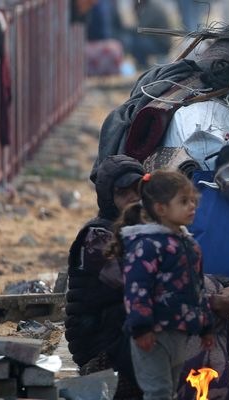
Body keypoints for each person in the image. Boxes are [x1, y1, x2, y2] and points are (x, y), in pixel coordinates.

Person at [108, 171, 229, 400]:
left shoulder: (188, 244)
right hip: (153, 333)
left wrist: (205, 326)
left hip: (179, 333)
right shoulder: (147, 245)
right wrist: (141, 328)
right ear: (161, 208)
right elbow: (137, 289)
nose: (192, 206)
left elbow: (196, 289)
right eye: (184, 201)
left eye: (193, 200)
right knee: (158, 392)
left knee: (170, 390)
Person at [65, 155, 145, 399]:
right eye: (124, 192)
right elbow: (134, 283)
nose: (133, 198)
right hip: (100, 344)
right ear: (109, 197)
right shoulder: (97, 236)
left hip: (117, 335)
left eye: (138, 190)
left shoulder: (140, 229)